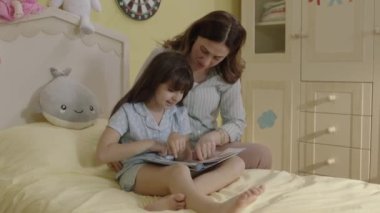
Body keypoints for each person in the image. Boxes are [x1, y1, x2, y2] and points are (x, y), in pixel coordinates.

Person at [96, 51, 264, 212]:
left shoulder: (178, 112)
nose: (176, 97)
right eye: (171, 90)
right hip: (138, 170)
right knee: (179, 172)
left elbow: (184, 158)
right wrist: (151, 144)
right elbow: (103, 154)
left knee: (236, 163)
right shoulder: (128, 112)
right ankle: (214, 209)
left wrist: (181, 145)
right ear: (154, 82)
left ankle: (173, 200)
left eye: (182, 92)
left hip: (173, 167)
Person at [109, 10, 272, 172]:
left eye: (217, 58)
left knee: (262, 155)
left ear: (228, 56)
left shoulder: (227, 75)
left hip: (206, 150)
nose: (206, 62)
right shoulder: (163, 57)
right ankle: (196, 181)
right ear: (195, 36)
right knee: (182, 168)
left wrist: (213, 138)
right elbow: (135, 99)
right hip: (165, 148)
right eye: (204, 50)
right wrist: (116, 146)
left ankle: (200, 175)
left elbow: (236, 122)